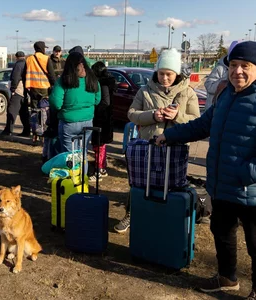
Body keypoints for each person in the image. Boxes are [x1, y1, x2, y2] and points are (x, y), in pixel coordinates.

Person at [155, 41, 256, 299]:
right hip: (221, 185)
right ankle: (227, 278)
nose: (238, 72)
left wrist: (246, 175)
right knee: (222, 233)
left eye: (245, 66)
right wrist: (171, 136)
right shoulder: (225, 96)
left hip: (250, 190)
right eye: (233, 65)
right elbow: (202, 125)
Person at [114, 48, 200, 234]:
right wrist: (152, 115)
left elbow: (195, 122)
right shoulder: (144, 91)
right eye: (161, 74)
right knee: (140, 183)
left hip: (176, 149)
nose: (165, 78)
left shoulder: (188, 93)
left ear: (176, 74)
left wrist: (177, 116)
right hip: (148, 146)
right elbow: (132, 114)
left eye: (169, 74)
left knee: (172, 186)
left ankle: (165, 219)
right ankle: (132, 213)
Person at [49, 51, 100, 173]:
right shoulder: (92, 79)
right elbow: (97, 100)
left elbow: (56, 103)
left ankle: (72, 184)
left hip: (69, 122)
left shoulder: (63, 81)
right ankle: (83, 183)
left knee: (69, 156)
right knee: (83, 153)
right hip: (88, 121)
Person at [89, 61, 116, 181]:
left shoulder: (103, 84)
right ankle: (101, 167)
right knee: (100, 144)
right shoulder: (108, 81)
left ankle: (99, 169)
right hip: (105, 117)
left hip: (102, 117)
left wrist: (94, 109)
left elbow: (105, 102)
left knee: (99, 144)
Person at [25, 41, 56, 140]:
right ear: (42, 48)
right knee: (44, 110)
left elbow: (24, 73)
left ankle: (35, 132)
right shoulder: (46, 59)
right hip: (44, 88)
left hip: (32, 88)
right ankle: (44, 131)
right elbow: (51, 74)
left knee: (34, 110)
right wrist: (54, 84)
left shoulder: (29, 59)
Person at [1, 51, 30, 136]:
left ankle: (8, 130)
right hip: (25, 91)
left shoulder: (18, 65)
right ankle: (26, 131)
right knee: (24, 112)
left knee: (11, 110)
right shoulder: (27, 64)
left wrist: (13, 89)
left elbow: (15, 77)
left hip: (18, 90)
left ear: (16, 57)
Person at [204, 41, 239, 110]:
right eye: (233, 64)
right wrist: (223, 83)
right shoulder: (220, 68)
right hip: (214, 110)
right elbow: (209, 85)